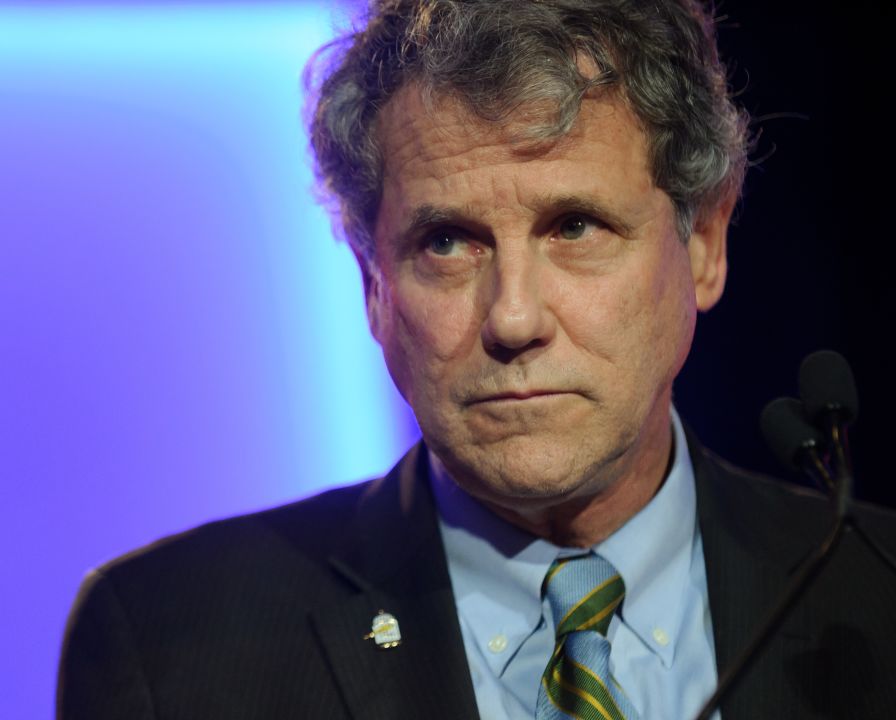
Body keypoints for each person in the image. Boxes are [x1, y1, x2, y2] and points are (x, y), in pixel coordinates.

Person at [58, 1, 896, 718]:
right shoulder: (174, 646)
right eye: (448, 242)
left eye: (575, 226)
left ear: (704, 243)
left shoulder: (871, 594)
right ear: (374, 289)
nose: (514, 318)